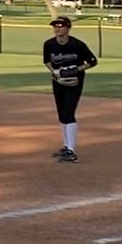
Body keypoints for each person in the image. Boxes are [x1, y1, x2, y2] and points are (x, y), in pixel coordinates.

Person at [43, 15, 98, 163]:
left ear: (68, 28)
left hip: (74, 83)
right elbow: (47, 61)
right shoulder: (49, 44)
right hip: (58, 82)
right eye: (55, 26)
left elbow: (92, 61)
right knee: (62, 114)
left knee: (69, 113)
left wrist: (76, 70)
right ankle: (67, 146)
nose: (57, 29)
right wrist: (54, 72)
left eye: (61, 26)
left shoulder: (77, 45)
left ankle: (72, 152)